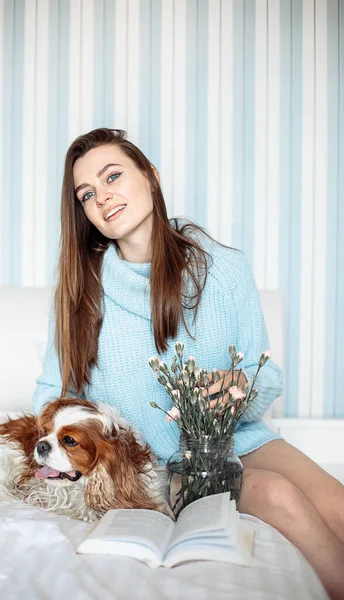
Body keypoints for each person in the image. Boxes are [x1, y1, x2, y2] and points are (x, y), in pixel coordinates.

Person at [33, 127, 344, 599]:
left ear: (150, 177)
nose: (103, 197)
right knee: (279, 495)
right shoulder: (82, 292)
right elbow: (48, 396)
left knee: (339, 505)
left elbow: (268, 379)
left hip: (238, 436)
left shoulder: (225, 270)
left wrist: (240, 384)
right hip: (162, 465)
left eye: (113, 175)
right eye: (87, 194)